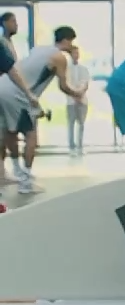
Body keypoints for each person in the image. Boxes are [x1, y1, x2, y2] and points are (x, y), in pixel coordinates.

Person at [0, 26, 84, 193]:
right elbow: (63, 86)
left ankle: (16, 172)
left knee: (10, 132)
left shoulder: (38, 49)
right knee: (31, 136)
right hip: (19, 94)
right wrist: (77, 93)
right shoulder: (59, 58)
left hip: (3, 86)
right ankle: (25, 181)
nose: (72, 46)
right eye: (71, 42)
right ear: (65, 40)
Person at [65, 45, 90, 157]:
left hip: (82, 100)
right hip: (71, 101)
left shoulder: (83, 69)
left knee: (81, 124)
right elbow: (66, 84)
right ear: (70, 55)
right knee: (71, 124)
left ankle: (80, 146)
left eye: (77, 53)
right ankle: (71, 147)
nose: (76, 55)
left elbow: (85, 83)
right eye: (74, 53)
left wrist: (80, 94)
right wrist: (74, 95)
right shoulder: (66, 69)